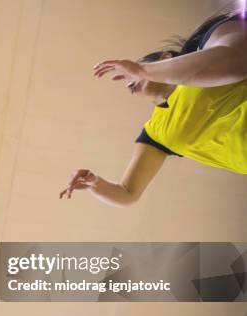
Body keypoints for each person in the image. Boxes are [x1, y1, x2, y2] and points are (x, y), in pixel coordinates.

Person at [60, 6, 246, 206]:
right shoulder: (155, 133)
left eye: (129, 73)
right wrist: (93, 183)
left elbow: (237, 61)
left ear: (165, 58)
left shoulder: (204, 48)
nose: (127, 81)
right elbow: (127, 193)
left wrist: (144, 70)